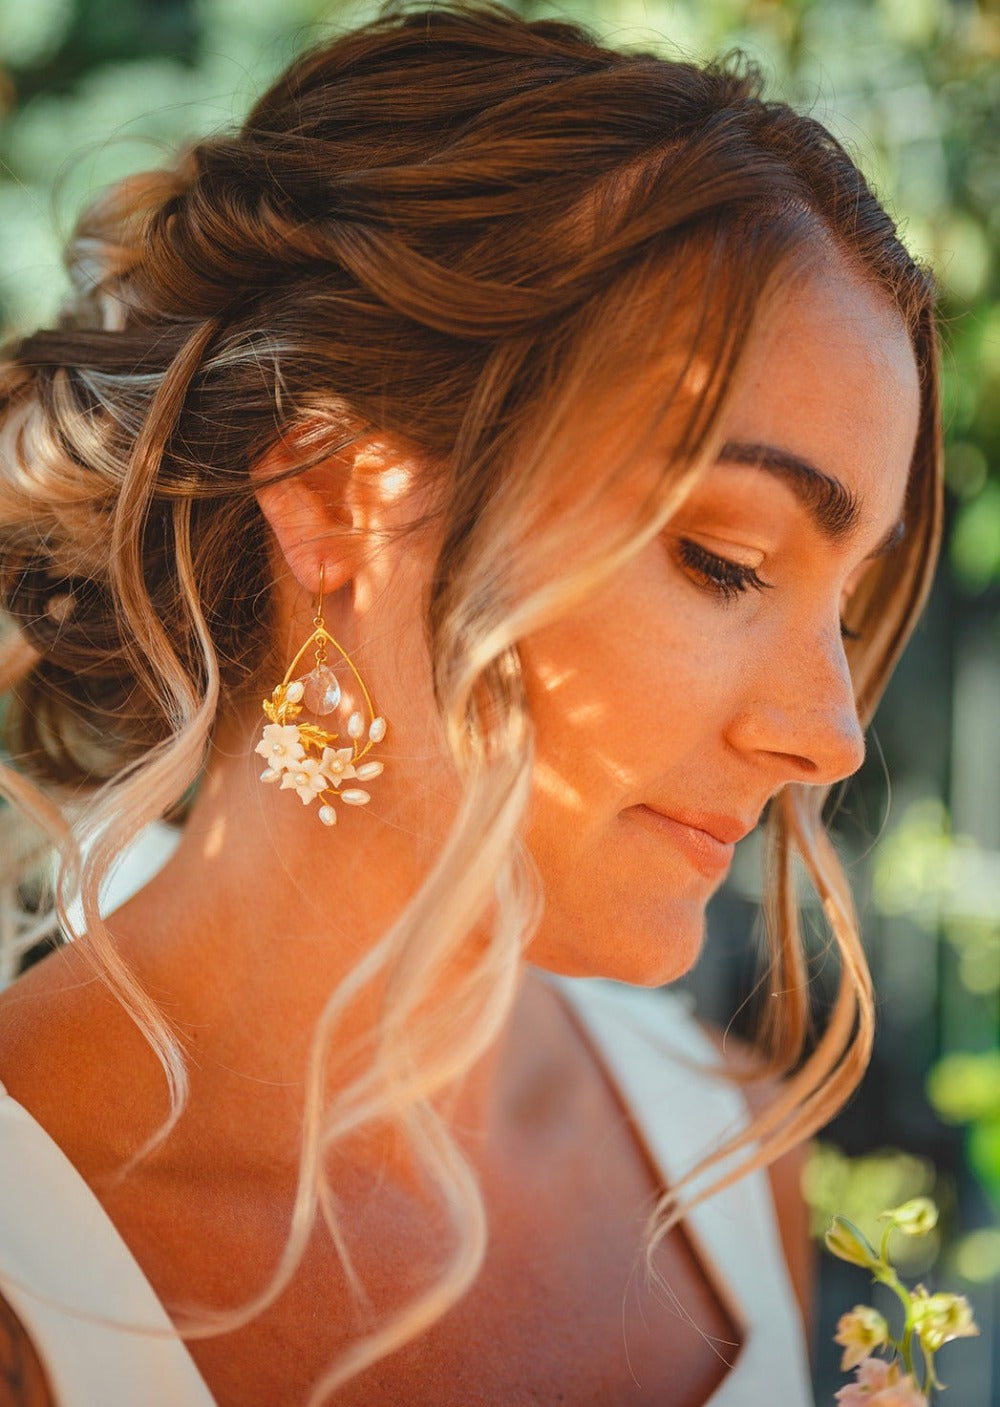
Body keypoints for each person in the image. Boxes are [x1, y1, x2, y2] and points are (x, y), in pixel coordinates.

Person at [0, 4, 941, 1404]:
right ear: (331, 495)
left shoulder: (732, 1158)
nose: (830, 732)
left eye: (848, 607)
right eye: (724, 561)